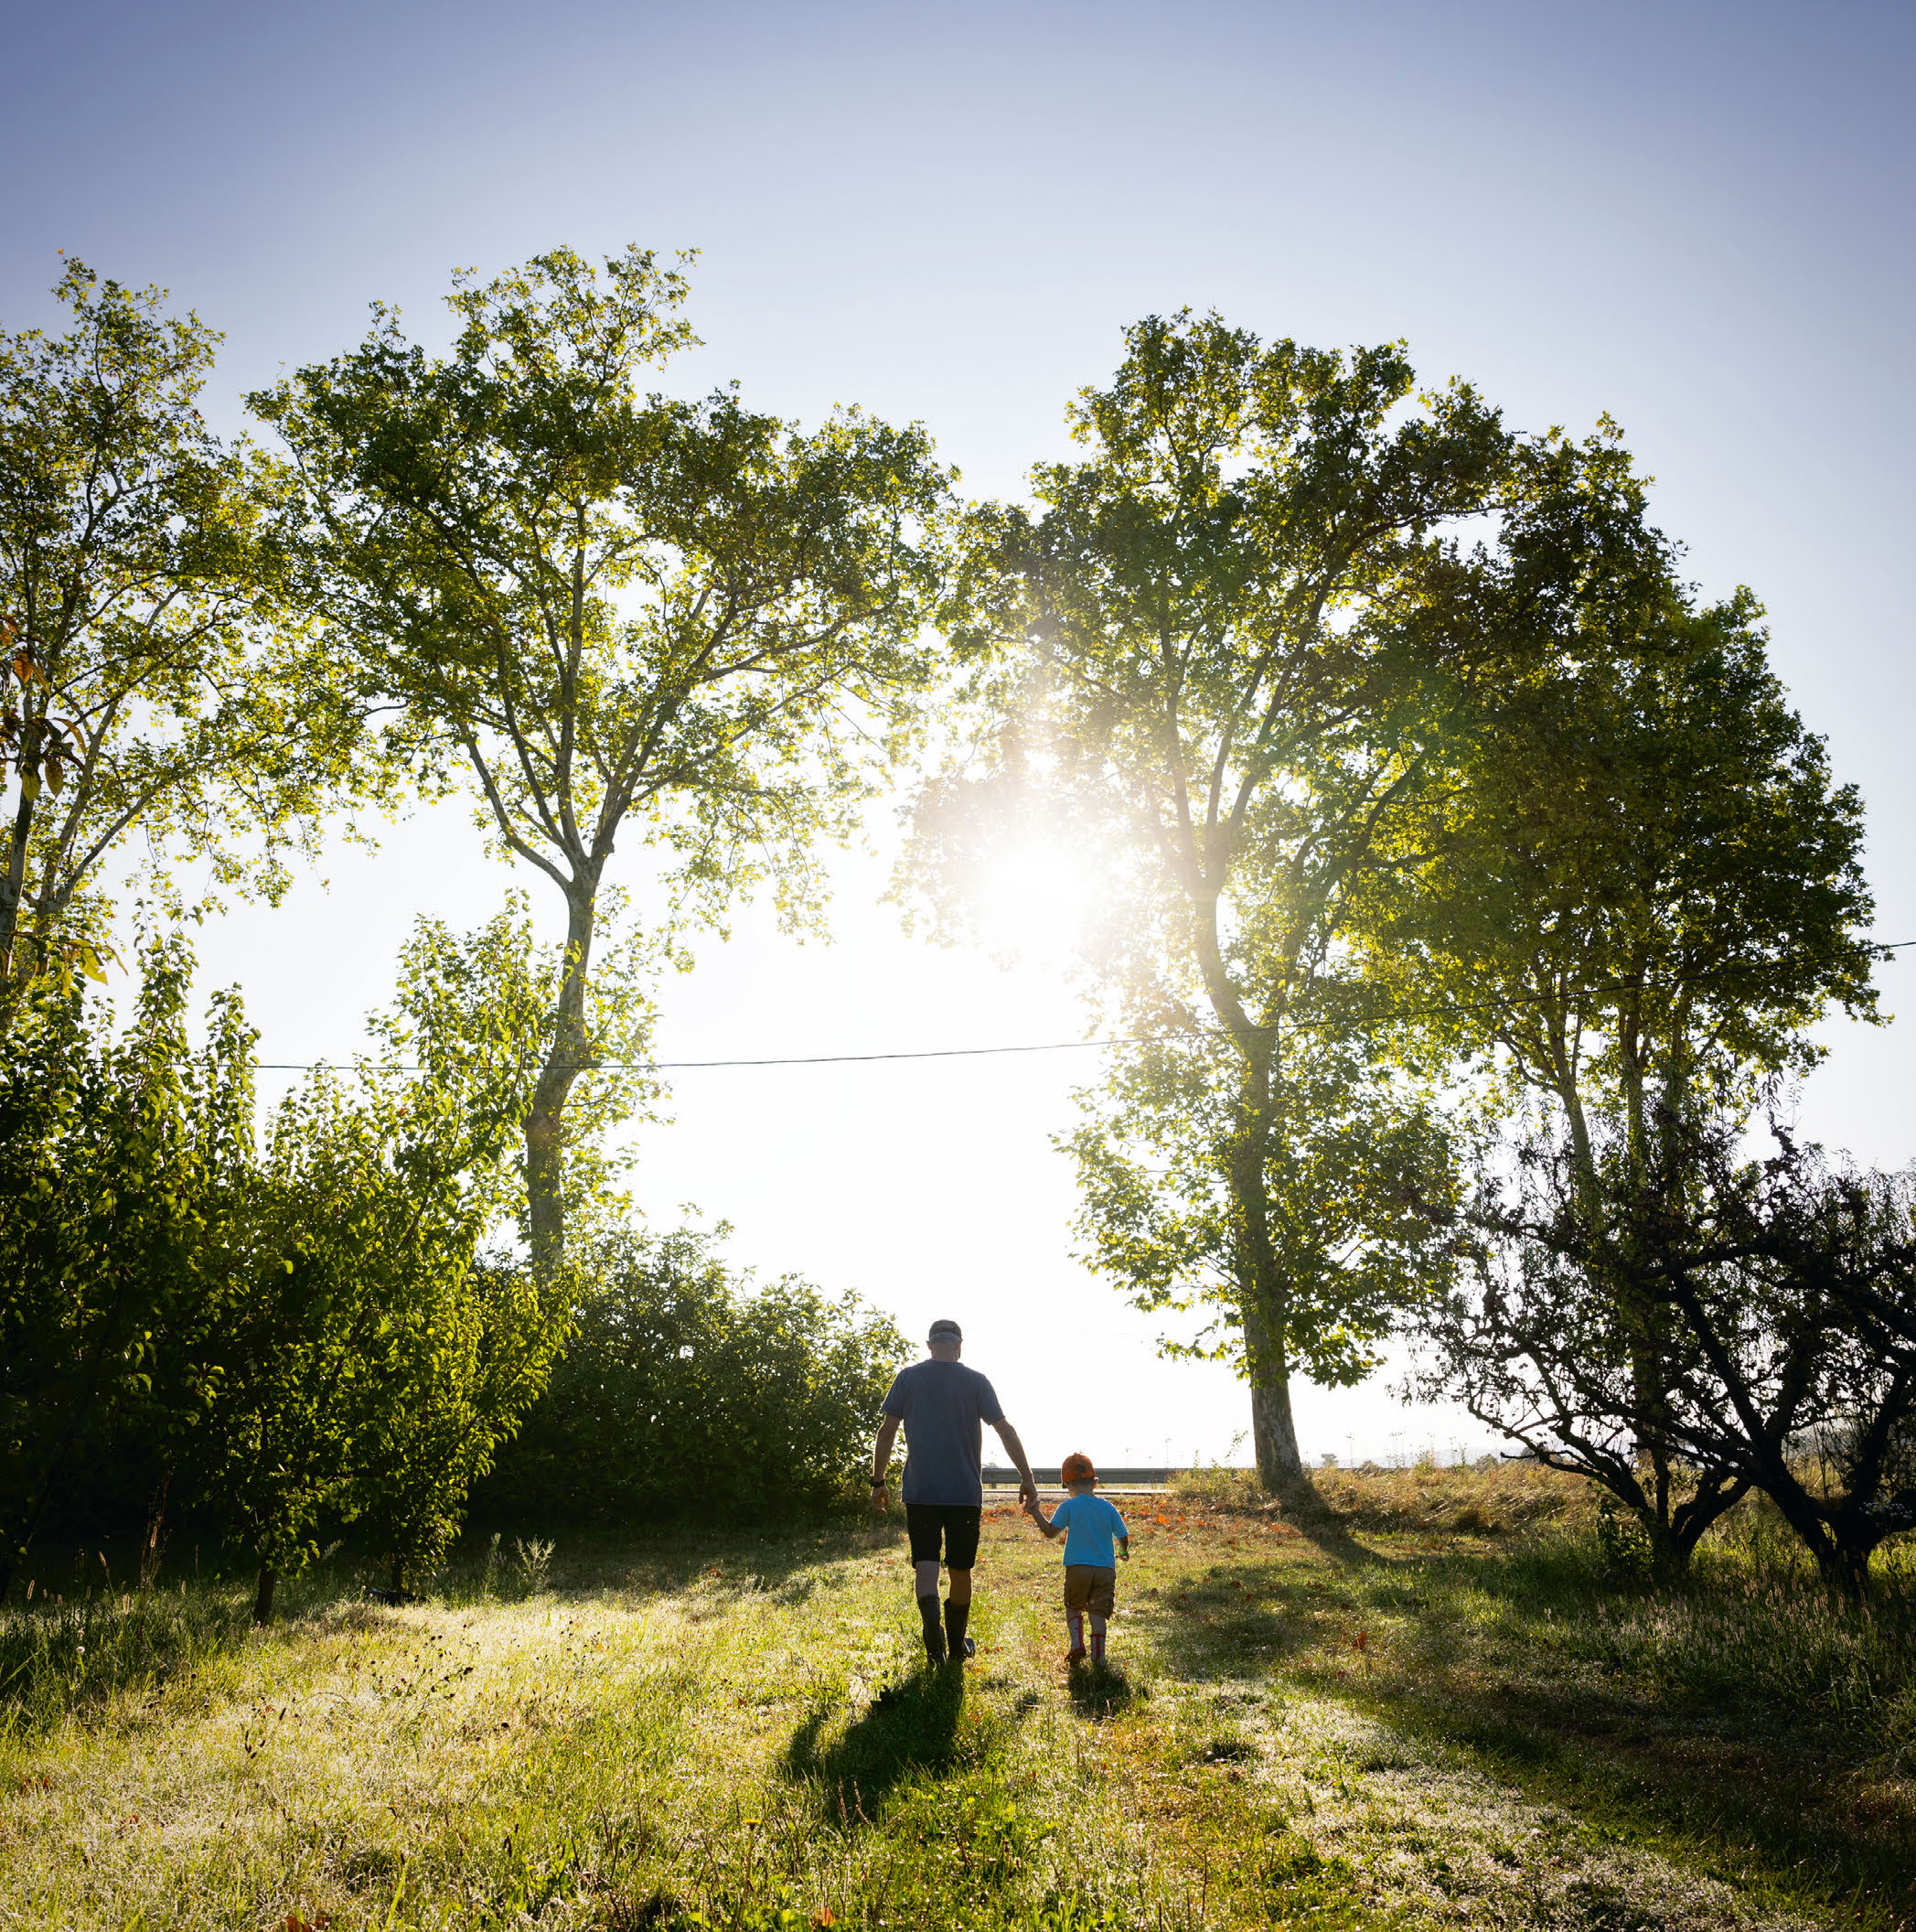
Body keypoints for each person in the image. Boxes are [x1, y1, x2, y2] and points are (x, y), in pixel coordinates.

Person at [872, 1319, 1037, 1665]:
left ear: (930, 1345)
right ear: (959, 1346)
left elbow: (886, 1433)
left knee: (927, 1569)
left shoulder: (908, 1378)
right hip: (963, 1493)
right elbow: (1004, 1429)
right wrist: (1027, 1476)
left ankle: (935, 1646)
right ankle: (957, 1647)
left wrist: (879, 1481)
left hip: (921, 1492)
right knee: (960, 1571)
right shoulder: (976, 1382)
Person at [1022, 1452, 1129, 1666]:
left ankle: (1076, 1645)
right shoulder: (1108, 1507)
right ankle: (1098, 1659)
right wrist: (1123, 1552)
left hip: (1077, 1568)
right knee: (1098, 1614)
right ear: (1095, 1483)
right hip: (1105, 1570)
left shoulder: (1069, 1506)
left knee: (1073, 1606)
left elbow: (1050, 1532)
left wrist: (1035, 1512)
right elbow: (1123, 1536)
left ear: (1067, 1485)